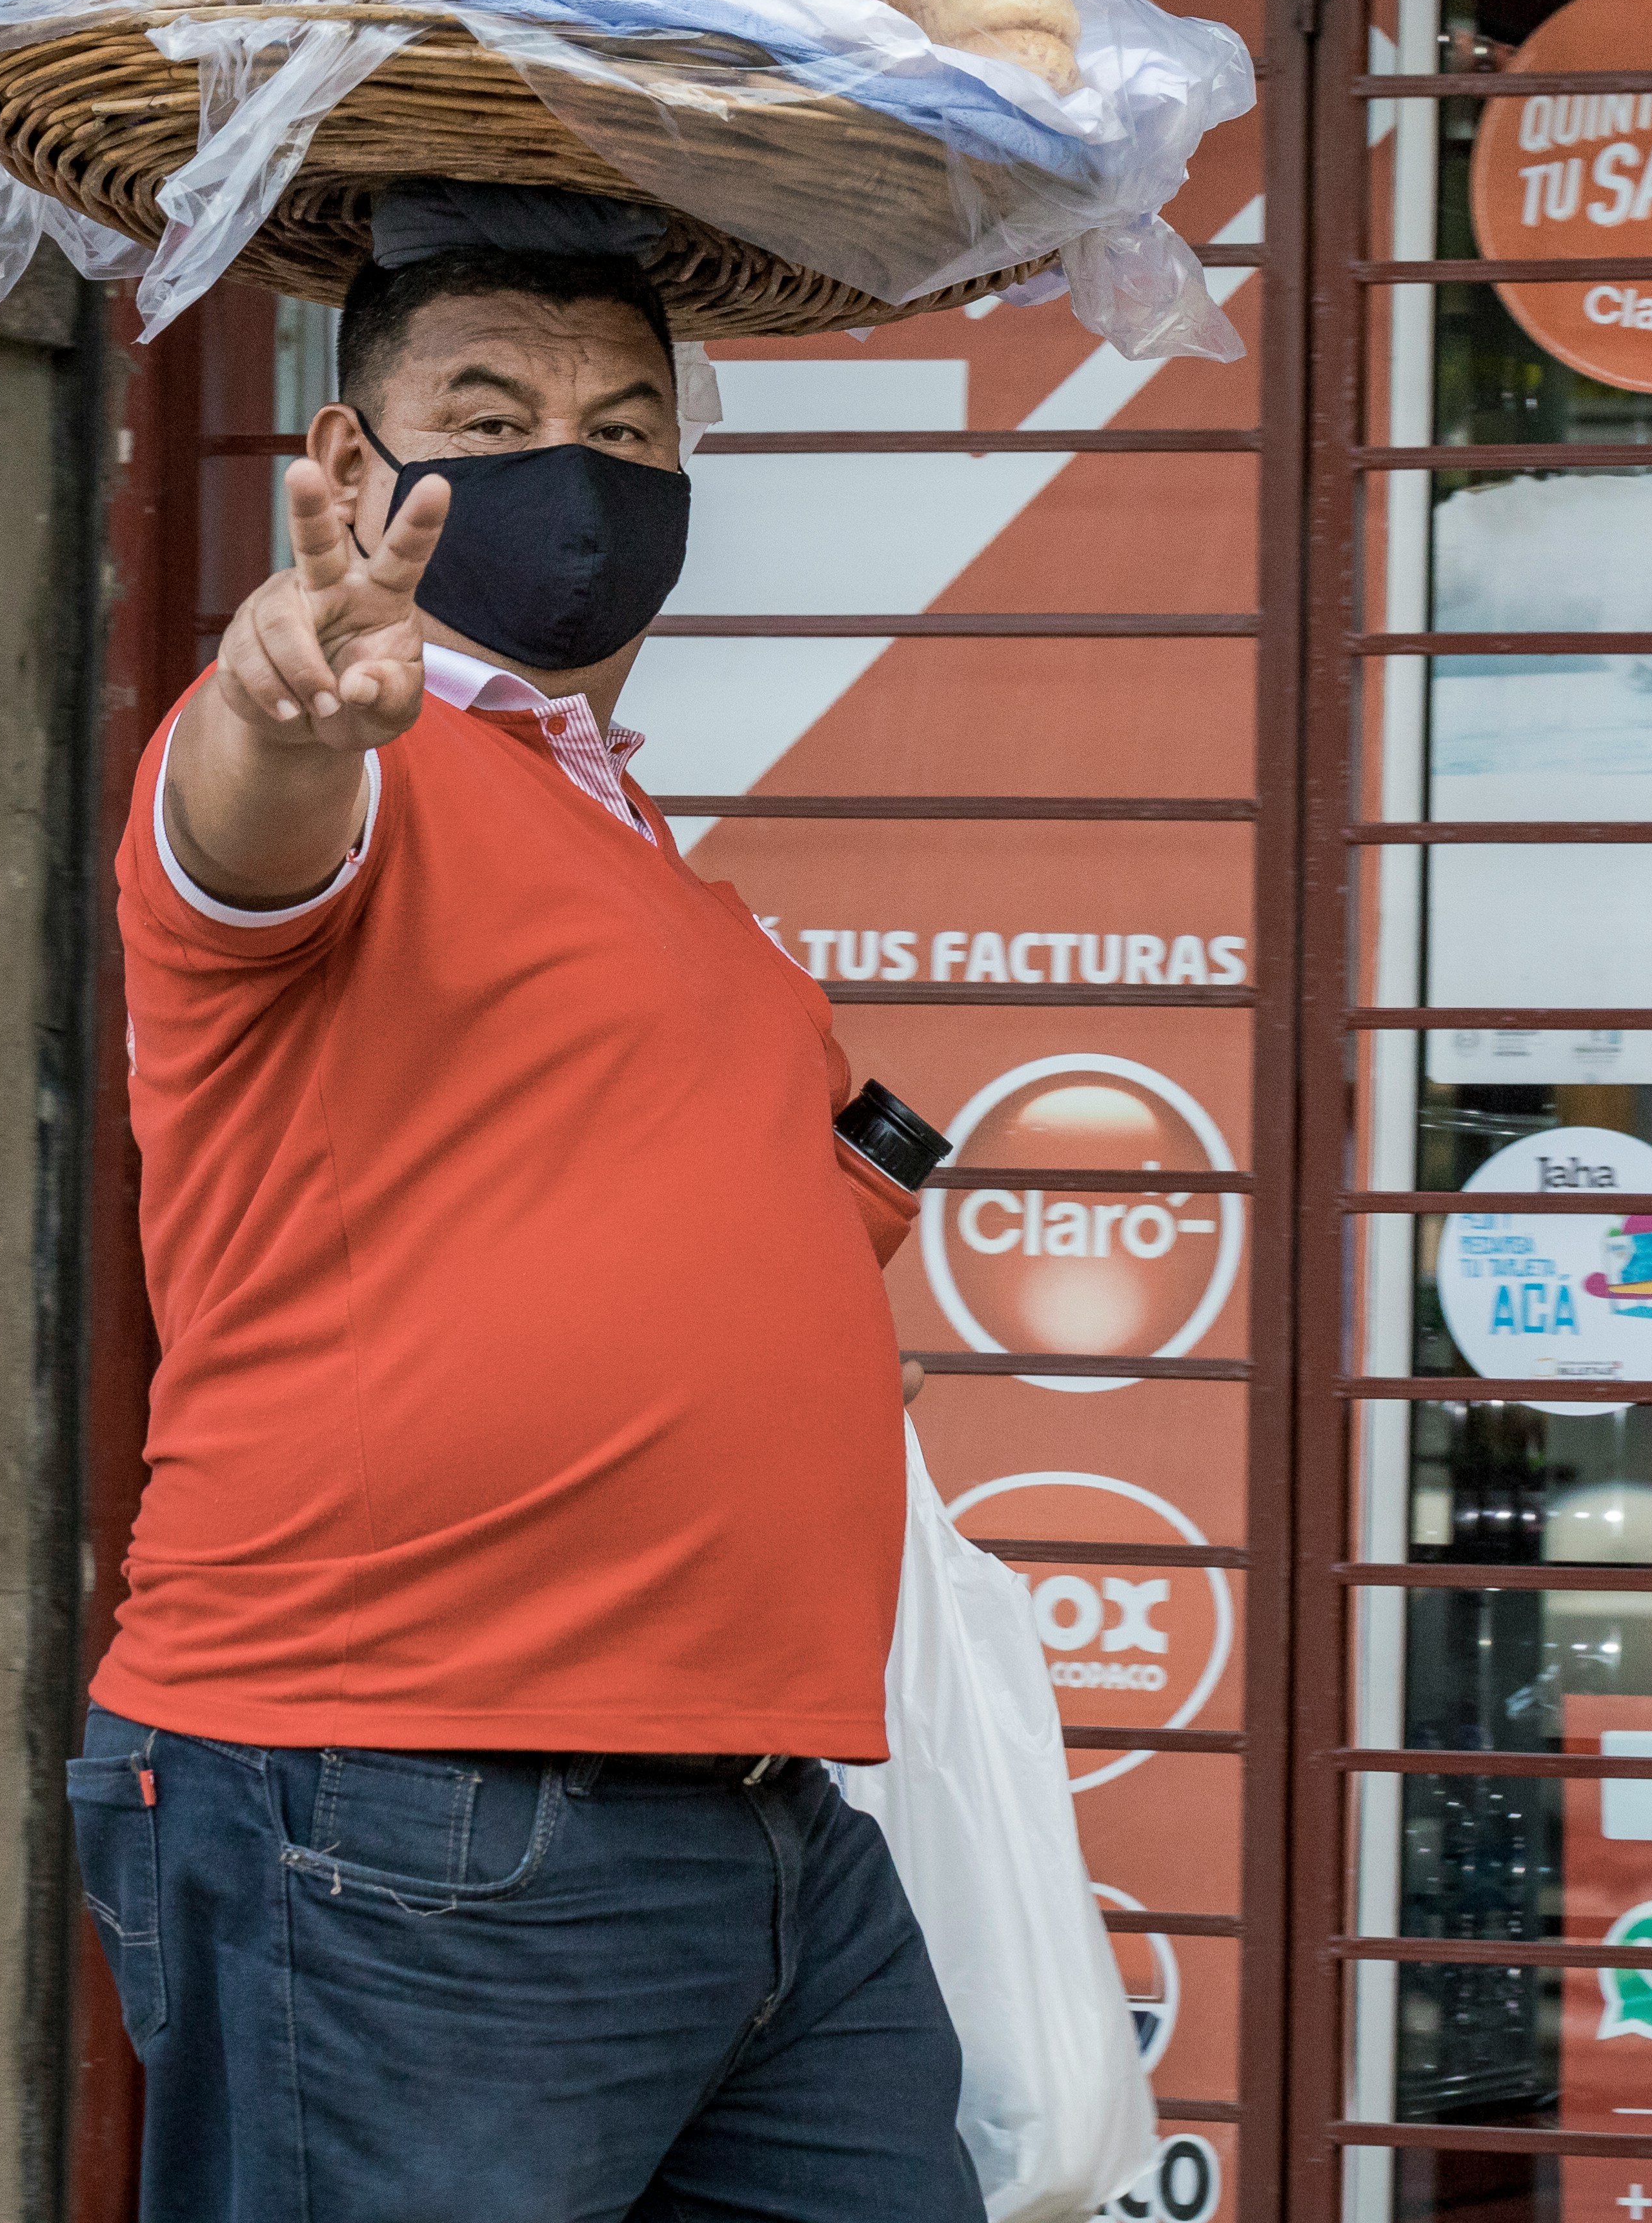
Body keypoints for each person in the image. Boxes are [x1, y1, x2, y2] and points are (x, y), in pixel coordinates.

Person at [68, 186, 976, 2222]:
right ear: (343, 463)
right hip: (395, 1797)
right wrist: (282, 698)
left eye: (630, 429)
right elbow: (253, 806)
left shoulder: (640, 844)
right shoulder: (358, 765)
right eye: (484, 418)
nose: (571, 468)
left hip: (759, 1830)